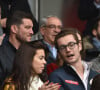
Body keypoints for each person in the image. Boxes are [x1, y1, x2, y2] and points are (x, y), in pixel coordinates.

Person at [0, 11, 34, 86]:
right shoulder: (1, 54)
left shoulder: (31, 53)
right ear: (14, 29)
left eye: (32, 28)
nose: (32, 32)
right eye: (27, 27)